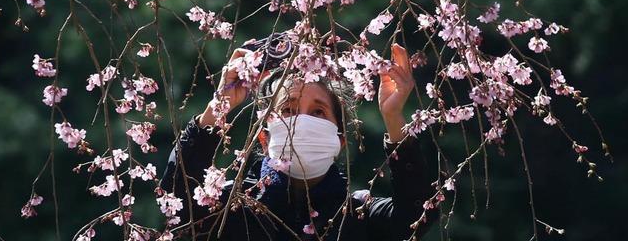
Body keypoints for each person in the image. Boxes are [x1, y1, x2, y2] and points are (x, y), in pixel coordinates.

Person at [159, 43, 436, 240]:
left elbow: (416, 214)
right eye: (288, 110)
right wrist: (217, 108)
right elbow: (177, 195)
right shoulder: (230, 206)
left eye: (318, 112)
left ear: (339, 141)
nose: (301, 123)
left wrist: (394, 117)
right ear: (264, 139)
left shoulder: (358, 216)